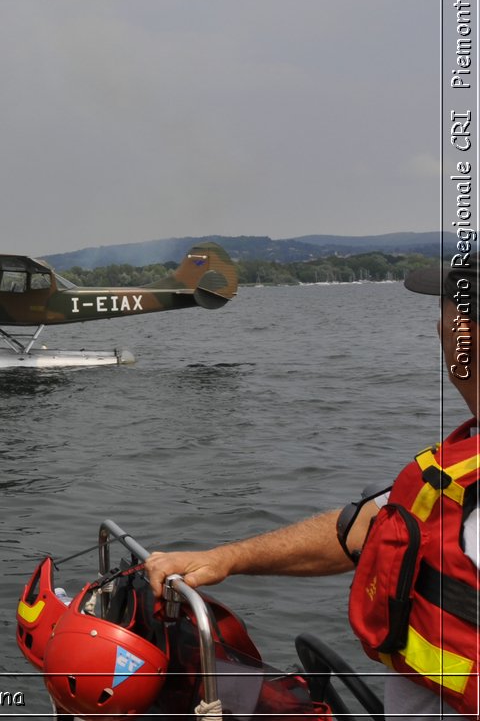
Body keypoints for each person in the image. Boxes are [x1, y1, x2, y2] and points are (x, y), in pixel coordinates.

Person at [144, 265, 478, 717]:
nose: (435, 326)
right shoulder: (459, 463)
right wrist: (226, 559)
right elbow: (362, 528)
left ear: (462, 332)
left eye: (442, 311)